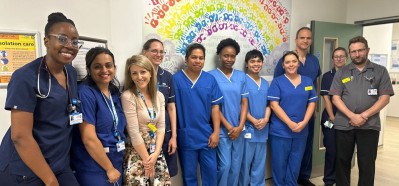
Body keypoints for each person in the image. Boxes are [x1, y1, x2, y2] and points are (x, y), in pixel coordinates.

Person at [0, 12, 81, 186]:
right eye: (62, 38)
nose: (70, 45)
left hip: (58, 163)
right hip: (25, 168)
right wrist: (50, 180)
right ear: (46, 41)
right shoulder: (25, 77)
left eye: (75, 41)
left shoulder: (71, 73)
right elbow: (20, 136)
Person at [329, 36, 394, 186]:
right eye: (353, 51)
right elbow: (335, 98)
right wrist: (352, 116)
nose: (357, 54)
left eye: (360, 50)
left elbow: (385, 98)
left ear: (367, 50)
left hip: (369, 125)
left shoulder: (380, 71)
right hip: (344, 124)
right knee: (342, 162)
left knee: (367, 164)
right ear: (350, 53)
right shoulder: (342, 72)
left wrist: (363, 115)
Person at [70, 47, 126, 185]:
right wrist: (109, 168)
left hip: (115, 160)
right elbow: (88, 138)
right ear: (89, 69)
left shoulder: (114, 92)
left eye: (108, 65)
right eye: (97, 66)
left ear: (114, 67)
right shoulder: (85, 93)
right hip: (94, 165)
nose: (104, 70)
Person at [273, 27, 321, 186]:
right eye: (302, 38)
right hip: (284, 121)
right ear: (296, 40)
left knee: (303, 150)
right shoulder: (281, 75)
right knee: (282, 158)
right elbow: (276, 95)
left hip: (306, 114)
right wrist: (289, 122)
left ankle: (303, 178)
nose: (305, 41)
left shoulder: (313, 61)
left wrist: (311, 111)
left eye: (308, 38)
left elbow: (314, 86)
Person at [173, 43, 223, 185]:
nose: (197, 61)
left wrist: (216, 132)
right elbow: (171, 109)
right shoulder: (176, 80)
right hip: (186, 136)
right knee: (189, 176)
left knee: (210, 174)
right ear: (186, 59)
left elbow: (215, 107)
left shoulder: (209, 79)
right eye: (194, 57)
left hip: (207, 136)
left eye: (201, 58)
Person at [121, 55, 171, 185]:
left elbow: (160, 127)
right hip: (138, 152)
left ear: (150, 73)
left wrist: (155, 155)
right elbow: (133, 132)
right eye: (134, 73)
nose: (139, 77)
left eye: (143, 72)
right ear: (130, 76)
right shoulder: (128, 96)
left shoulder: (159, 96)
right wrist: (147, 162)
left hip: (156, 152)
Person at [209, 38, 248, 186]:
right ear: (219, 55)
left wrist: (240, 126)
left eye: (232, 56)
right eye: (226, 55)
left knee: (236, 166)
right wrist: (229, 127)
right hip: (222, 130)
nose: (229, 59)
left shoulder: (241, 76)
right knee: (224, 166)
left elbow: (244, 103)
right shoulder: (211, 76)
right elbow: (213, 106)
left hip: (239, 129)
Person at [142, 39, 178, 177]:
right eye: (154, 51)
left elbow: (171, 107)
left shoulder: (167, 77)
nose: (158, 54)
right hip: (145, 135)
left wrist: (174, 137)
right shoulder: (138, 74)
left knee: (166, 174)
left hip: (166, 133)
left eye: (161, 52)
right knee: (147, 174)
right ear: (145, 52)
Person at [239, 49, 271, 186]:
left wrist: (266, 119)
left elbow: (269, 104)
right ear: (247, 64)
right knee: (245, 164)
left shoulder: (265, 83)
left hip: (263, 129)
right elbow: (240, 106)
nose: (256, 64)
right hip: (248, 129)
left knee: (259, 163)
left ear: (262, 63)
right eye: (252, 61)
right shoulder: (242, 80)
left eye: (258, 61)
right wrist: (252, 120)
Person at [319, 47, 347, 186]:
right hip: (330, 119)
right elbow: (326, 99)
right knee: (331, 149)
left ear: (346, 58)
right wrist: (332, 117)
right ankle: (329, 180)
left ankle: (341, 179)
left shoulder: (351, 75)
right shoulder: (327, 76)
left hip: (347, 119)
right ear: (332, 59)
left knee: (344, 152)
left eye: (342, 56)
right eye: (336, 56)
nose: (339, 58)